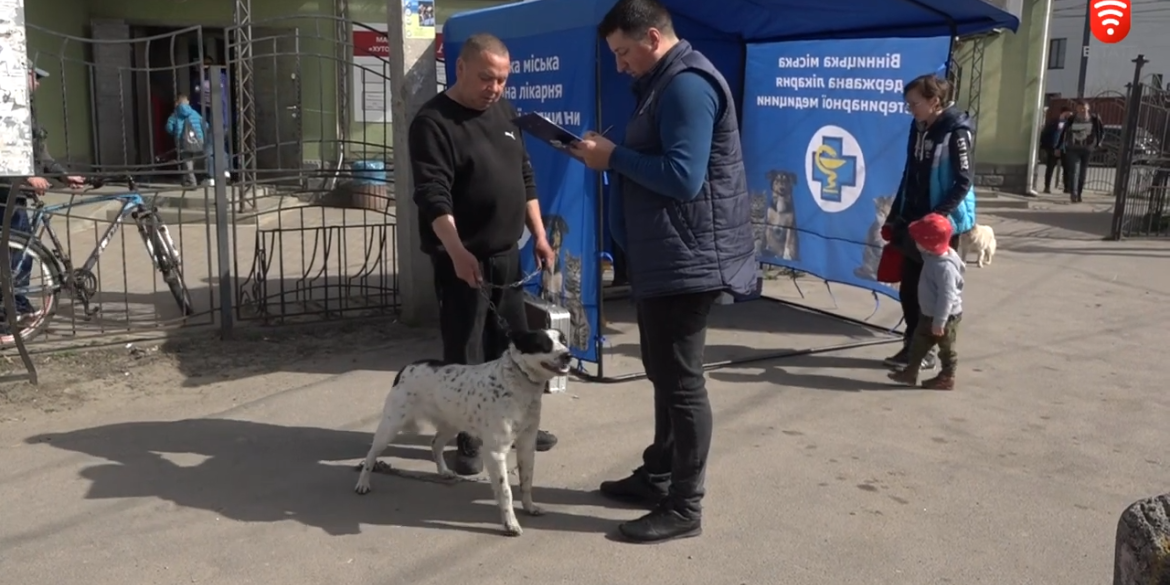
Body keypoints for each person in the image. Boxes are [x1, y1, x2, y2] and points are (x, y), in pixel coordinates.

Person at [571, 0, 757, 543]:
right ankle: (659, 474)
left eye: (624, 53)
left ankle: (684, 506)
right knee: (663, 371)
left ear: (652, 38)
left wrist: (613, 158)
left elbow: (682, 177)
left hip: (688, 258)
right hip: (666, 254)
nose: (621, 65)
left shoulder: (687, 86)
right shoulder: (662, 83)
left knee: (680, 381)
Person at [408, 33, 560, 477]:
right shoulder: (433, 122)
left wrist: (539, 235)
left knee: (512, 347)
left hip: (506, 255)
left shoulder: (504, 111)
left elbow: (524, 175)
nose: (494, 88)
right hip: (462, 259)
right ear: (460, 69)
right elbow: (433, 196)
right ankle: (468, 437)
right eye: (486, 78)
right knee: (466, 351)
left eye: (502, 80)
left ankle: (514, 426)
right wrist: (456, 252)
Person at [881, 74, 975, 371]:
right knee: (910, 290)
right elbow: (909, 172)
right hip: (913, 220)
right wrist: (895, 214)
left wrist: (937, 216)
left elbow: (963, 182)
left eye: (914, 103)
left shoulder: (957, 131)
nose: (910, 109)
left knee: (936, 293)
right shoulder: (918, 126)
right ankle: (912, 343)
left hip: (937, 226)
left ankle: (928, 353)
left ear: (935, 101)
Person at [0, 62, 84, 326]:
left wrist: (62, 175)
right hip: (6, 191)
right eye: (35, 77)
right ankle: (13, 310)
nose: (38, 83)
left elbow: (40, 153)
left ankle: (17, 307)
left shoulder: (26, 110)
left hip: (18, 191)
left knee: (21, 252)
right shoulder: (6, 108)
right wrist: (28, 177)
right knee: (18, 252)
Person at [887, 213, 964, 390]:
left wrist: (940, 322)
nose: (915, 242)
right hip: (928, 313)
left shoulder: (944, 267)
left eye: (918, 240)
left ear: (930, 244)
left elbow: (947, 296)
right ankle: (910, 372)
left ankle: (947, 377)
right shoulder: (933, 256)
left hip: (945, 317)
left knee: (947, 349)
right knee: (918, 344)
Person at [1056, 100, 1104, 203]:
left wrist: (1098, 142)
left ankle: (1079, 193)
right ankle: (1074, 193)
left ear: (1088, 108)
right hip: (1073, 149)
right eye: (1079, 108)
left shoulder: (1094, 119)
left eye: (1084, 108)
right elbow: (1064, 132)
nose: (1082, 110)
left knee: (1082, 173)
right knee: (1074, 171)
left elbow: (1101, 131)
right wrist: (1059, 146)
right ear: (1076, 109)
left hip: (1087, 149)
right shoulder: (1072, 119)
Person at [165, 94, 206, 188]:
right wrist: (200, 135)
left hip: (183, 141)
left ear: (177, 103)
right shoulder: (194, 112)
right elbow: (205, 124)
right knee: (190, 161)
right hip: (197, 140)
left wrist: (175, 133)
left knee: (187, 161)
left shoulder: (175, 114)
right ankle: (186, 179)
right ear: (187, 102)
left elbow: (169, 127)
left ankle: (192, 182)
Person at [1039, 106, 1072, 194]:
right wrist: (1050, 147)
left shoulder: (1069, 123)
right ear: (1064, 112)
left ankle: (1067, 187)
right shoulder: (1054, 122)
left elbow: (1066, 137)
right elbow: (1049, 134)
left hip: (1064, 149)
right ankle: (1047, 187)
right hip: (1052, 149)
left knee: (1067, 169)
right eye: (1069, 113)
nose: (1070, 115)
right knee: (1050, 168)